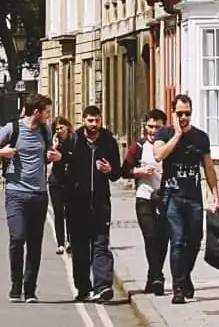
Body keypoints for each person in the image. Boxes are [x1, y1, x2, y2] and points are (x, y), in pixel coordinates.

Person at [0, 92, 60, 304]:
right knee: (17, 238)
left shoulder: (45, 130)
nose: (49, 117)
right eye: (47, 113)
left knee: (34, 244)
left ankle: (30, 290)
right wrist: (2, 153)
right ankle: (16, 286)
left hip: (39, 195)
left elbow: (51, 153)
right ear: (36, 112)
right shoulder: (12, 129)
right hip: (15, 192)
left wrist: (55, 157)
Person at [156, 93, 219, 305]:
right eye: (180, 113)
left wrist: (215, 195)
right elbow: (159, 155)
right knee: (177, 241)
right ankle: (178, 288)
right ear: (172, 113)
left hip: (193, 197)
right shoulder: (163, 133)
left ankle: (184, 275)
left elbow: (208, 167)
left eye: (187, 114)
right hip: (171, 196)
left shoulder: (200, 137)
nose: (184, 118)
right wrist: (176, 136)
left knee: (194, 241)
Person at [58, 105, 123, 303]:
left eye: (97, 121)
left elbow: (117, 174)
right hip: (77, 205)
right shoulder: (73, 140)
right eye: (90, 121)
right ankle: (83, 288)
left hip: (101, 204)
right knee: (80, 249)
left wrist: (110, 169)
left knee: (101, 245)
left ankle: (103, 287)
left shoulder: (109, 142)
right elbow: (59, 172)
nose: (94, 125)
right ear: (83, 121)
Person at [121, 109, 170, 296]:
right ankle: (158, 276)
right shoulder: (138, 147)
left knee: (163, 238)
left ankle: (153, 276)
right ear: (145, 126)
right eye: (150, 126)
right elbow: (124, 170)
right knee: (151, 237)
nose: (153, 130)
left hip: (165, 197)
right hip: (144, 197)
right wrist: (138, 172)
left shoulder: (169, 146)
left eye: (157, 127)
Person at [48, 117, 73, 257]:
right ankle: (60, 243)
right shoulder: (54, 142)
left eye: (61, 128)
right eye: (57, 129)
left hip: (70, 181)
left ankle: (70, 240)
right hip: (56, 181)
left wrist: (62, 156)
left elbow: (76, 157)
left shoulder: (74, 140)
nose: (59, 131)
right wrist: (55, 147)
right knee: (58, 212)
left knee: (69, 211)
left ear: (67, 127)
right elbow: (49, 157)